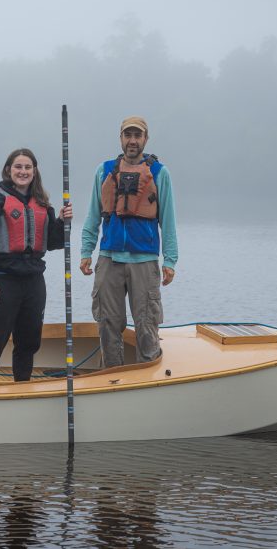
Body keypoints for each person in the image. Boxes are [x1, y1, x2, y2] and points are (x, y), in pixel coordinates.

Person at [79, 116, 178, 367]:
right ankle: (112, 379)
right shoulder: (104, 170)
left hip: (144, 261)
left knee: (146, 324)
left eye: (137, 135)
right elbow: (92, 215)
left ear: (146, 139)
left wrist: (170, 260)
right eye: (128, 135)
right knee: (107, 324)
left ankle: (148, 377)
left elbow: (168, 219)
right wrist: (86, 251)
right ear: (120, 138)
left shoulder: (159, 172)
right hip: (108, 259)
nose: (132, 140)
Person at [0, 148, 73, 384]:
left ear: (34, 172)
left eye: (27, 167)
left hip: (33, 282)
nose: (23, 171)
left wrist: (62, 221)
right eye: (18, 167)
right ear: (8, 170)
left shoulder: (43, 204)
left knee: (29, 341)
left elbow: (55, 243)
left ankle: (22, 386)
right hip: (2, 280)